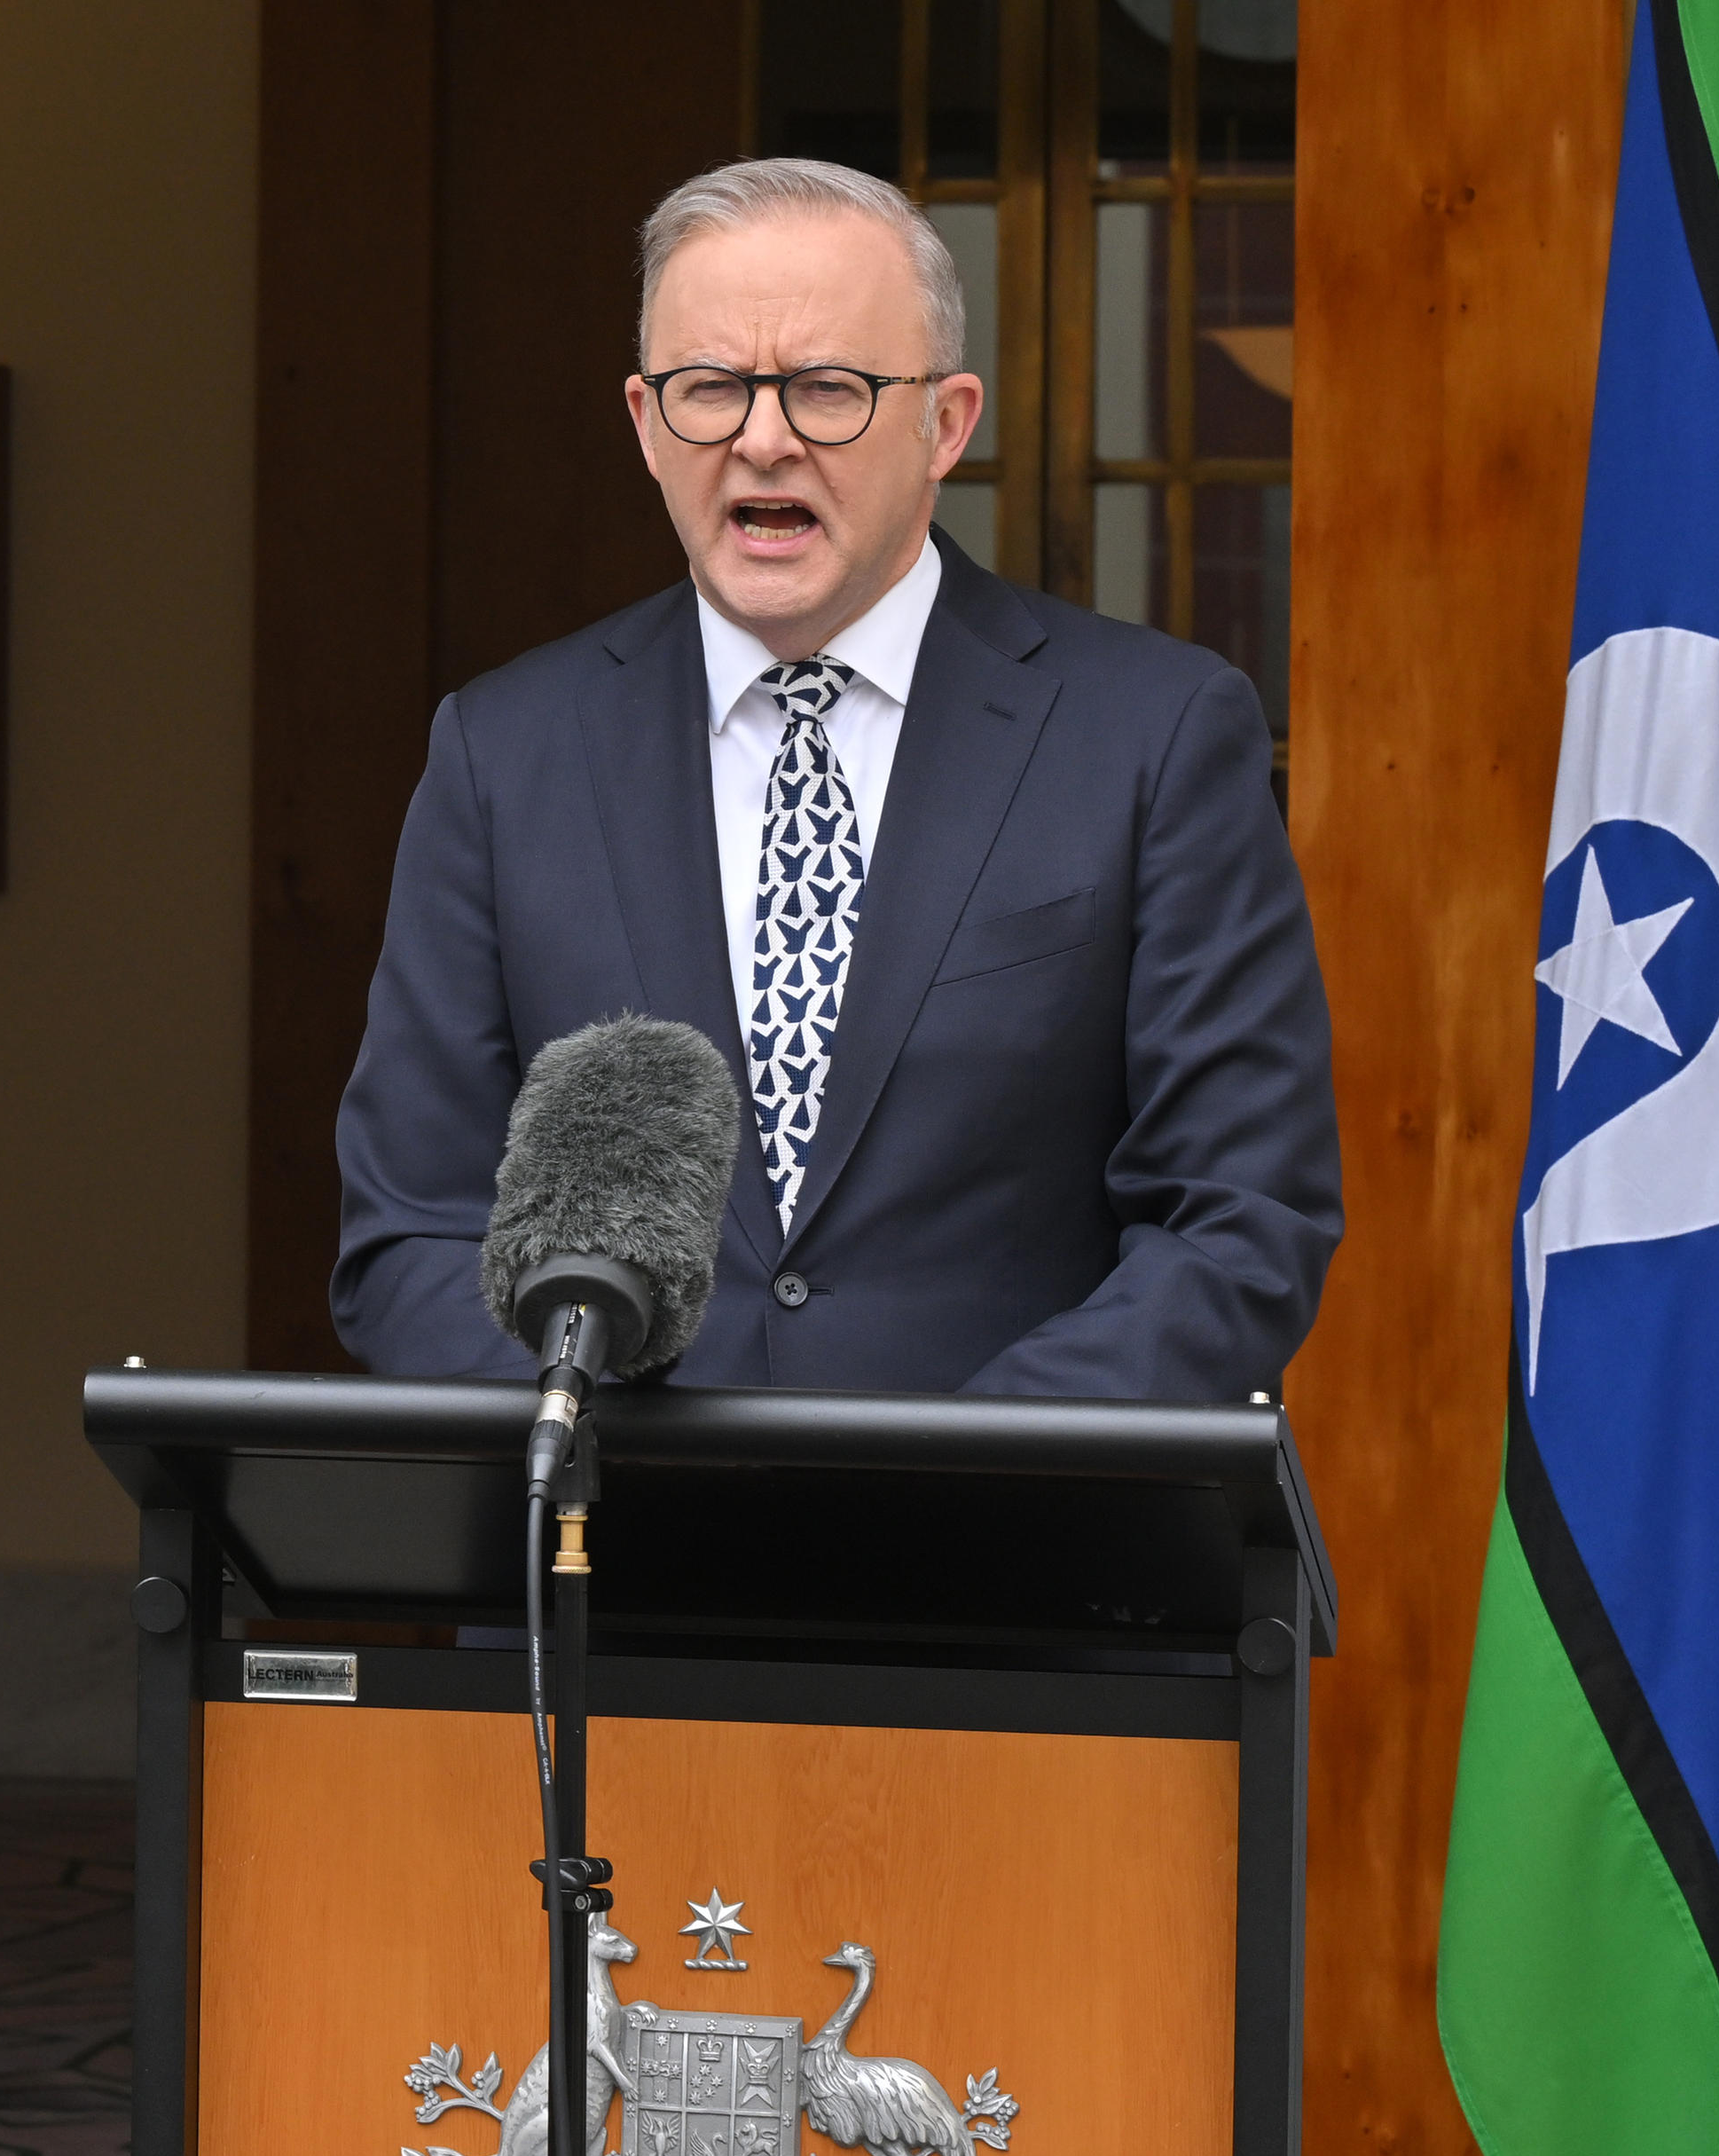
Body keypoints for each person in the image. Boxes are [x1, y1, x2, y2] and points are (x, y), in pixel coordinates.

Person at [334, 155, 1338, 1397]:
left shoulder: (1155, 735)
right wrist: (629, 1463)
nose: (763, 440)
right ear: (646, 424)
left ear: (947, 423)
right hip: (616, 1566)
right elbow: (407, 1239)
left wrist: (944, 1483)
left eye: (828, 389)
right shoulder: (505, 753)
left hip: (1009, 1561)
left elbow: (1240, 1216)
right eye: (711, 389)